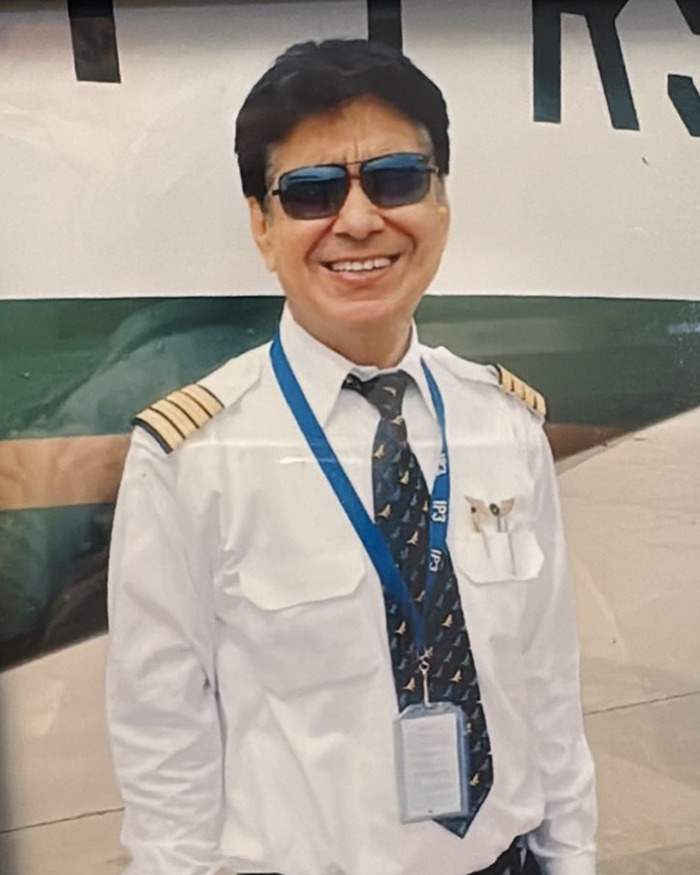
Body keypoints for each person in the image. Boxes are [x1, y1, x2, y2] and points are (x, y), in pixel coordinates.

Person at [106, 38, 596, 875]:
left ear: (441, 201)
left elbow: (548, 682)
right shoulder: (193, 456)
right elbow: (162, 738)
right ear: (262, 226)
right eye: (312, 192)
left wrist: (572, 856)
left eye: (398, 178)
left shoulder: (504, 424)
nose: (361, 220)